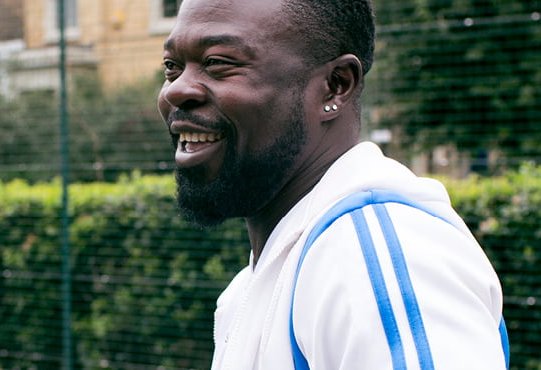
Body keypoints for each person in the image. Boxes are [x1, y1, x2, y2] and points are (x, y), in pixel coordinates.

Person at [157, 0, 508, 368]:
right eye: (172, 67)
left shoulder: (369, 252)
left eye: (217, 62)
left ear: (335, 86)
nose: (176, 91)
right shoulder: (259, 281)